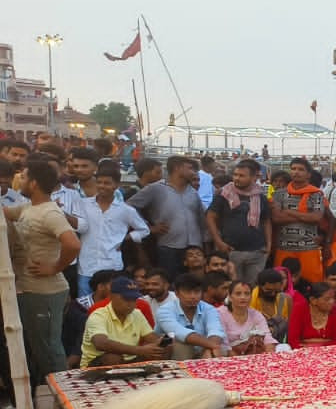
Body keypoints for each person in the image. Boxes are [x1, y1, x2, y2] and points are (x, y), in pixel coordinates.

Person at [4, 160, 81, 382]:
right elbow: (6, 213)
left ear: (34, 183)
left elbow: (73, 244)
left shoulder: (50, 213)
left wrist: (55, 267)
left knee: (49, 349)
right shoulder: (29, 208)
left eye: (24, 177)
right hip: (31, 289)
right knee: (38, 348)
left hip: (46, 292)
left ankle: (63, 397)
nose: (20, 180)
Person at [74, 167, 149, 297]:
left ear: (116, 185)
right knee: (85, 303)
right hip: (86, 264)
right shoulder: (83, 204)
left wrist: (126, 238)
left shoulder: (125, 209)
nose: (102, 186)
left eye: (107, 183)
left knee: (110, 303)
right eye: (99, 182)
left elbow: (144, 230)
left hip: (111, 264)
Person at [125, 155, 203, 279]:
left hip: (193, 248)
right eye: (190, 168)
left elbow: (201, 218)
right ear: (177, 168)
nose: (193, 172)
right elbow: (128, 207)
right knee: (169, 283)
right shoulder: (156, 189)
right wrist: (148, 227)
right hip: (168, 248)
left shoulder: (193, 192)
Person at [80, 277, 169, 367]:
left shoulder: (137, 313)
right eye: (126, 299)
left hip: (129, 361)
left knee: (163, 349)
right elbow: (101, 343)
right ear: (111, 296)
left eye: (134, 299)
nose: (131, 304)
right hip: (95, 365)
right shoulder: (98, 315)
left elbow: (151, 338)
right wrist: (139, 350)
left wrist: (161, 343)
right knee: (112, 358)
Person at [218, 280, 278, 355]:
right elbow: (223, 343)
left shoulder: (256, 314)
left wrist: (269, 354)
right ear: (230, 297)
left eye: (247, 294)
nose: (243, 297)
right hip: (229, 355)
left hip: (253, 353)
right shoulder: (220, 313)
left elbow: (267, 338)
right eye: (238, 294)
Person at [287, 281, 336, 349]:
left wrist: (317, 347)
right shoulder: (299, 309)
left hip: (329, 351)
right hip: (302, 351)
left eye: (333, 298)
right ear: (313, 300)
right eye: (327, 299)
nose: (332, 302)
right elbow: (293, 340)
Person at [251, 268, 296, 343]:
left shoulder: (286, 299)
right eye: (269, 291)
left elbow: (290, 328)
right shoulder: (250, 300)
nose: (273, 294)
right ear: (260, 286)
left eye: (276, 291)